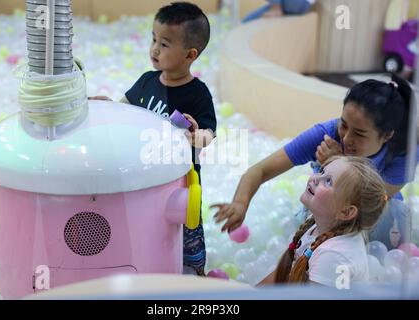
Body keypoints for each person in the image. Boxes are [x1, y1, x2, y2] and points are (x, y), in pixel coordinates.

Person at [213, 74, 415, 250]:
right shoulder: (327, 134)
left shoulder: (403, 150)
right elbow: (260, 170)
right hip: (327, 213)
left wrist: (335, 163)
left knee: (392, 215)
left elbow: (371, 201)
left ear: (387, 135)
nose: (346, 139)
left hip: (378, 218)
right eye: (343, 124)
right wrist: (240, 204)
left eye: (360, 134)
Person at [92, 2, 216, 275]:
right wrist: (106, 106)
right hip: (144, 179)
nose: (155, 49)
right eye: (153, 39)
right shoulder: (147, 81)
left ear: (190, 54)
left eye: (165, 44)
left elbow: (209, 134)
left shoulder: (198, 93)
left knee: (184, 231)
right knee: (145, 229)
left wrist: (197, 135)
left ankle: (191, 270)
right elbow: (123, 111)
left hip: (179, 184)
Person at [258, 156, 387, 286]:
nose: (315, 178)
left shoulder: (333, 255)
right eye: (322, 171)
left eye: (328, 181)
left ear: (346, 212)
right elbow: (286, 273)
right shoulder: (320, 223)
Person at [242, 0, 316, 23]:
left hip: (299, 2)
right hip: (301, 5)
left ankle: (275, 9)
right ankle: (275, 8)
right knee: (247, 21)